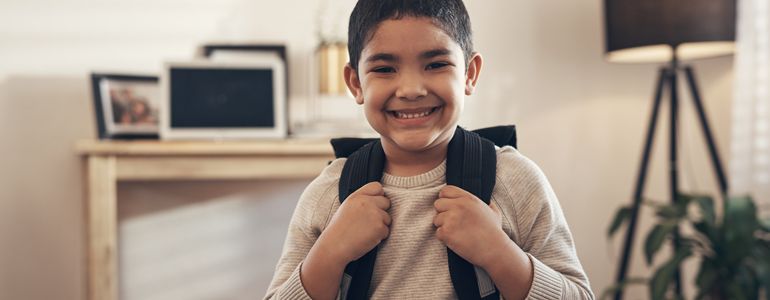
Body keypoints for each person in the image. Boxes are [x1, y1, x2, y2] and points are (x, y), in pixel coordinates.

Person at [265, 0, 594, 299]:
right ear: (355, 83)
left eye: (436, 64)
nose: (410, 89)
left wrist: (499, 252)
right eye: (384, 69)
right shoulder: (329, 193)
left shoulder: (514, 180)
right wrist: (330, 252)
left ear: (470, 73)